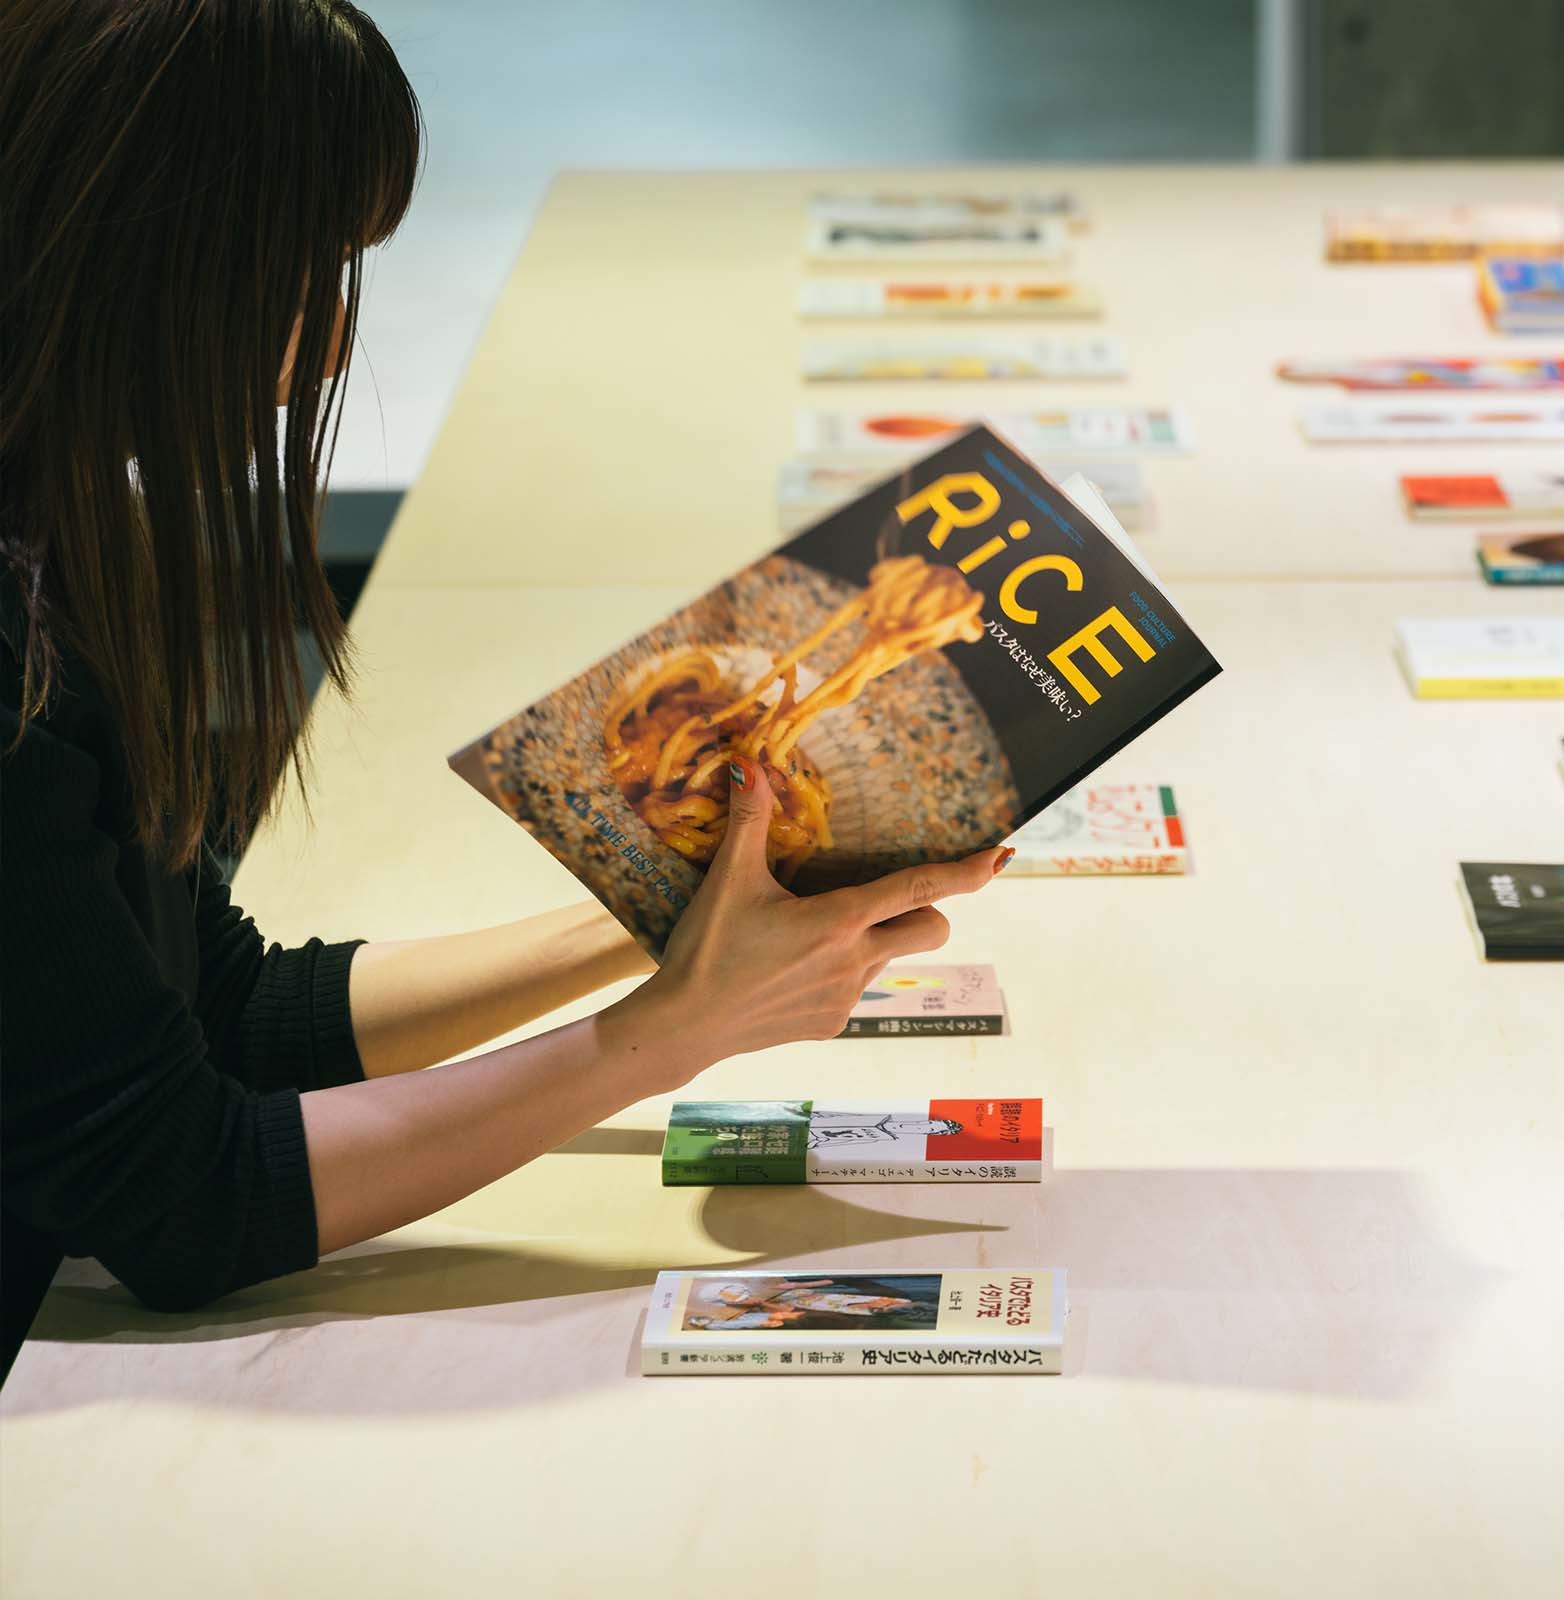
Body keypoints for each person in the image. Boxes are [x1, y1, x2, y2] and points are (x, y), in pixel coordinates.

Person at [0, 0, 1005, 1382]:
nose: (332, 347)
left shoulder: (53, 528)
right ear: (145, 252)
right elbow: (177, 1198)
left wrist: (663, 902)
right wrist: (664, 1037)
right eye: (301, 273)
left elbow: (221, 1016)